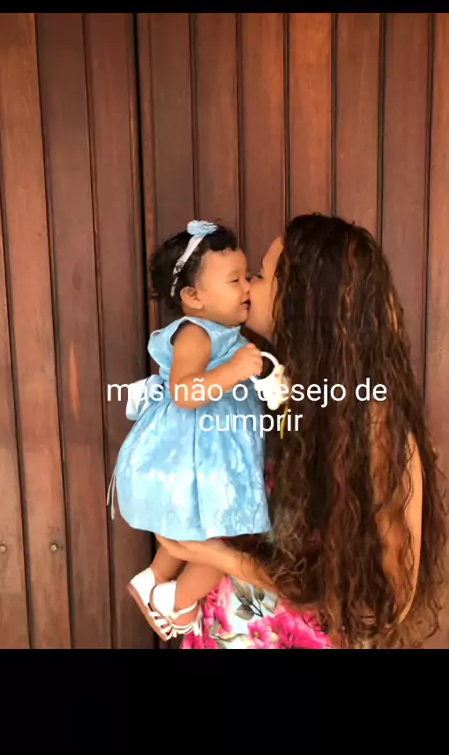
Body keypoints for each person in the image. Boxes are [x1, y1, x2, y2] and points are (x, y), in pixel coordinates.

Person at [158, 213, 448, 649]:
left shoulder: (374, 425)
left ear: (303, 300)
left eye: (259, 276)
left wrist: (219, 556)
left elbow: (386, 599)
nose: (247, 286)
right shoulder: (273, 391)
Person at [107, 220, 272, 641]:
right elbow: (184, 391)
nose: (247, 287)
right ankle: (178, 601)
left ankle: (153, 580)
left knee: (195, 526)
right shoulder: (196, 334)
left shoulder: (227, 334)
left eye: (248, 276)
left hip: (218, 446)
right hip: (200, 450)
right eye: (235, 280)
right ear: (193, 297)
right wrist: (234, 371)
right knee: (224, 534)